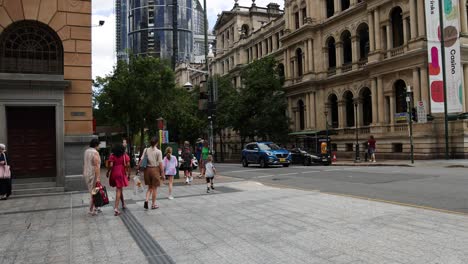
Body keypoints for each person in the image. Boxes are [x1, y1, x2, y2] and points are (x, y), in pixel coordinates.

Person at [138, 137, 164, 210]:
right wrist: (162, 173)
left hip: (147, 170)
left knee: (150, 187)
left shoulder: (146, 150)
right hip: (155, 170)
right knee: (155, 188)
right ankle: (153, 204)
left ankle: (146, 200)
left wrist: (138, 167)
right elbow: (160, 163)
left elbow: (141, 159)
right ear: (156, 143)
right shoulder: (158, 151)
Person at [107, 144, 130, 216]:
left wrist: (108, 172)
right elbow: (128, 165)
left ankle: (123, 203)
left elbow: (110, 165)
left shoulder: (112, 156)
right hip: (121, 173)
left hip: (114, 172)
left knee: (120, 189)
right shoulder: (124, 155)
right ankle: (116, 208)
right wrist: (128, 174)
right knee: (118, 190)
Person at [83, 139, 101, 216]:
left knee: (92, 191)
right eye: (99, 145)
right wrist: (98, 177)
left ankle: (95, 207)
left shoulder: (86, 151)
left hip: (86, 173)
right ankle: (92, 209)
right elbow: (96, 165)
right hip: (93, 174)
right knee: (94, 192)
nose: (99, 146)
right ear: (96, 145)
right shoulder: (95, 153)